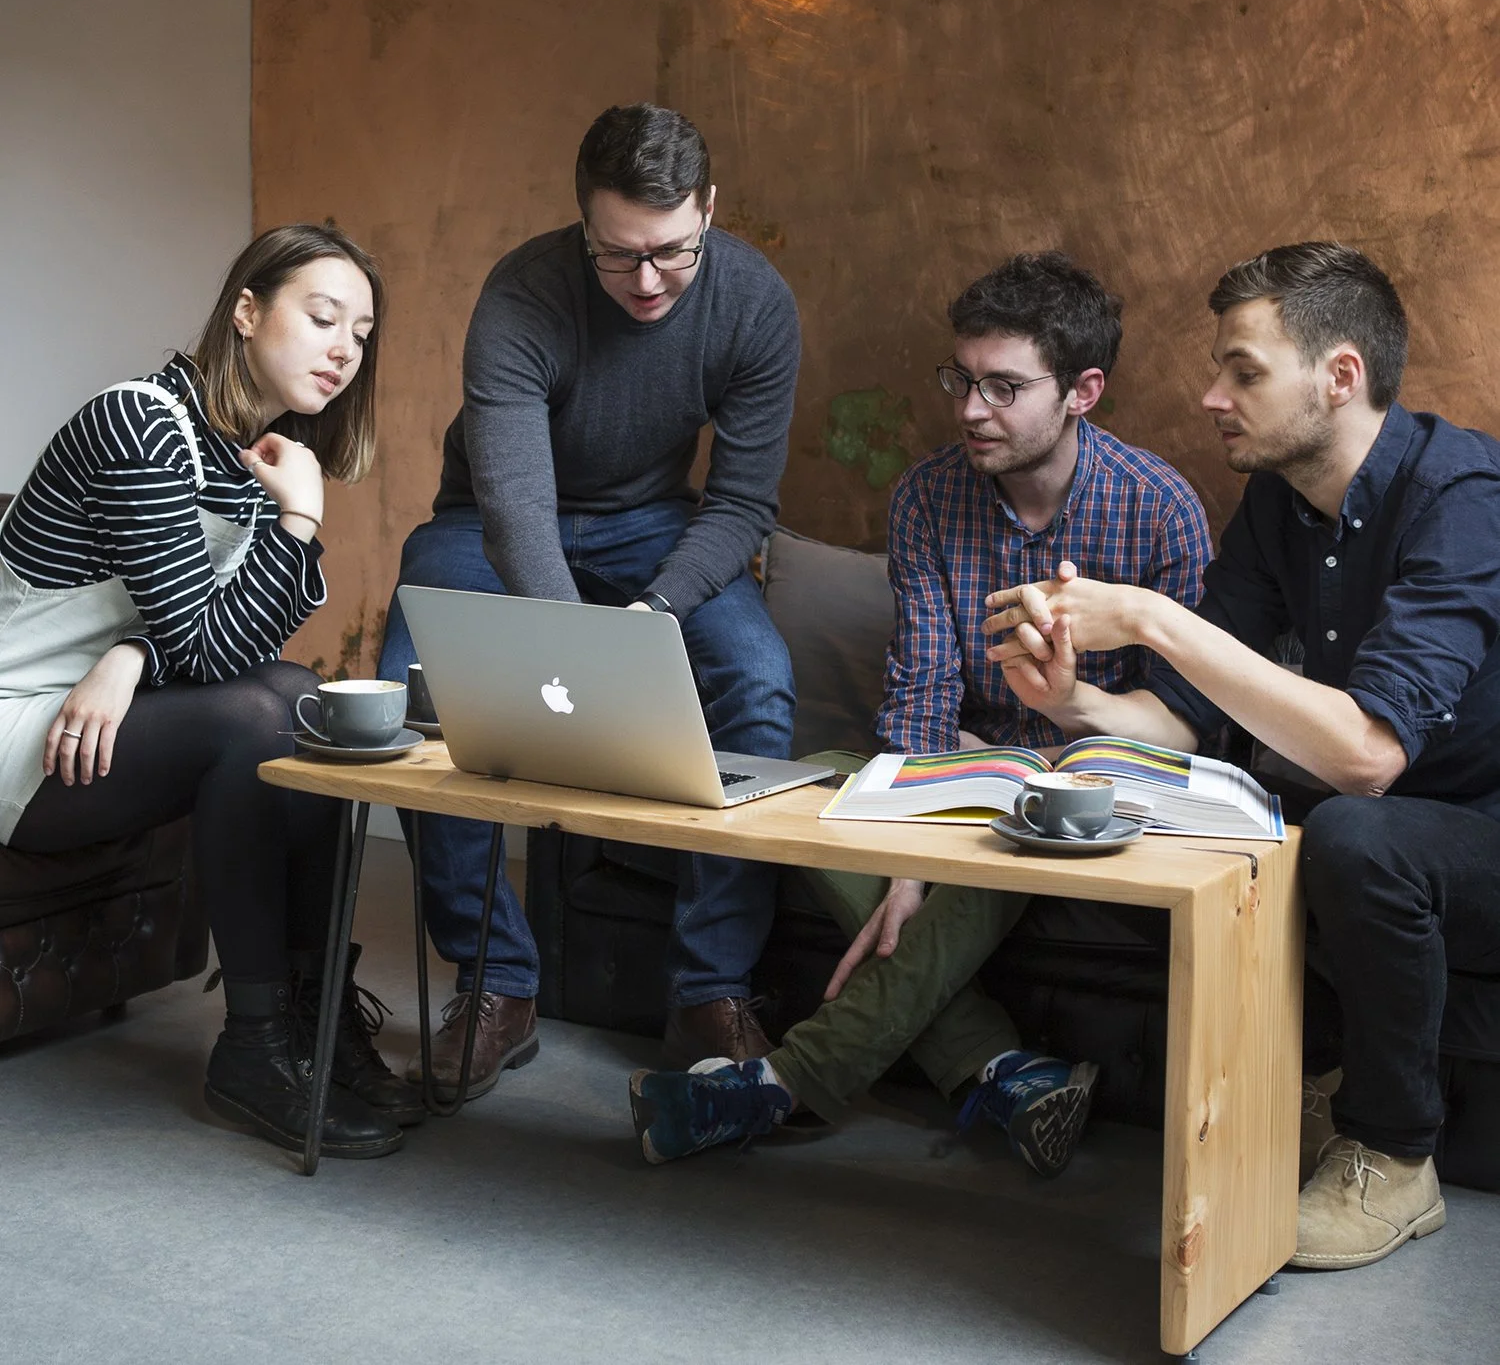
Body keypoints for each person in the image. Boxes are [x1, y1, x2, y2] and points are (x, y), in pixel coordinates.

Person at [628, 252, 1212, 1172]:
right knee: (814, 777)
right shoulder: (928, 498)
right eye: (962, 380)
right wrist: (907, 859)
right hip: (967, 768)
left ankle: (782, 1086)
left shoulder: (1161, 512)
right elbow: (924, 691)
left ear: (1083, 392)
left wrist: (1061, 723)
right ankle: (1002, 1070)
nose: (972, 409)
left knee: (1040, 804)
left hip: (1103, 787)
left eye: (1004, 387)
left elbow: (1180, 722)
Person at [984, 241, 1500, 1268]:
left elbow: (1365, 757)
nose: (1212, 396)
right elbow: (1183, 723)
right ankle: (1310, 1095)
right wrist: (1074, 700)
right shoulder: (1278, 505)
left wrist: (1152, 617)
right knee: (1177, 819)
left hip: (1476, 832)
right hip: (1387, 828)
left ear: (1339, 375)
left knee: (1350, 830)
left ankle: (1396, 1159)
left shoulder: (1463, 497)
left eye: (1243, 371)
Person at [376, 103, 801, 1100]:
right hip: (490, 520)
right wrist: (582, 656)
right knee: (413, 692)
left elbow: (742, 505)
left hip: (657, 526)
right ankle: (498, 982)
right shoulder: (522, 294)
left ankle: (708, 991)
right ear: (581, 225)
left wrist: (654, 614)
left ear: (709, 209)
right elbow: (516, 510)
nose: (647, 282)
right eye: (618, 257)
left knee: (759, 676)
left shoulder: (755, 302)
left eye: (672, 253)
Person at [0, 224, 423, 1158]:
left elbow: (230, 645)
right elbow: (205, 647)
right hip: (18, 724)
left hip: (102, 718)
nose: (344, 349)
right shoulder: (139, 422)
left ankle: (313, 1024)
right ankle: (256, 1046)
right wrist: (301, 520)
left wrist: (135, 656)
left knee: (296, 702)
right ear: (245, 310)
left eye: (360, 333)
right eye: (322, 318)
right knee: (254, 718)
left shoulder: (251, 455)